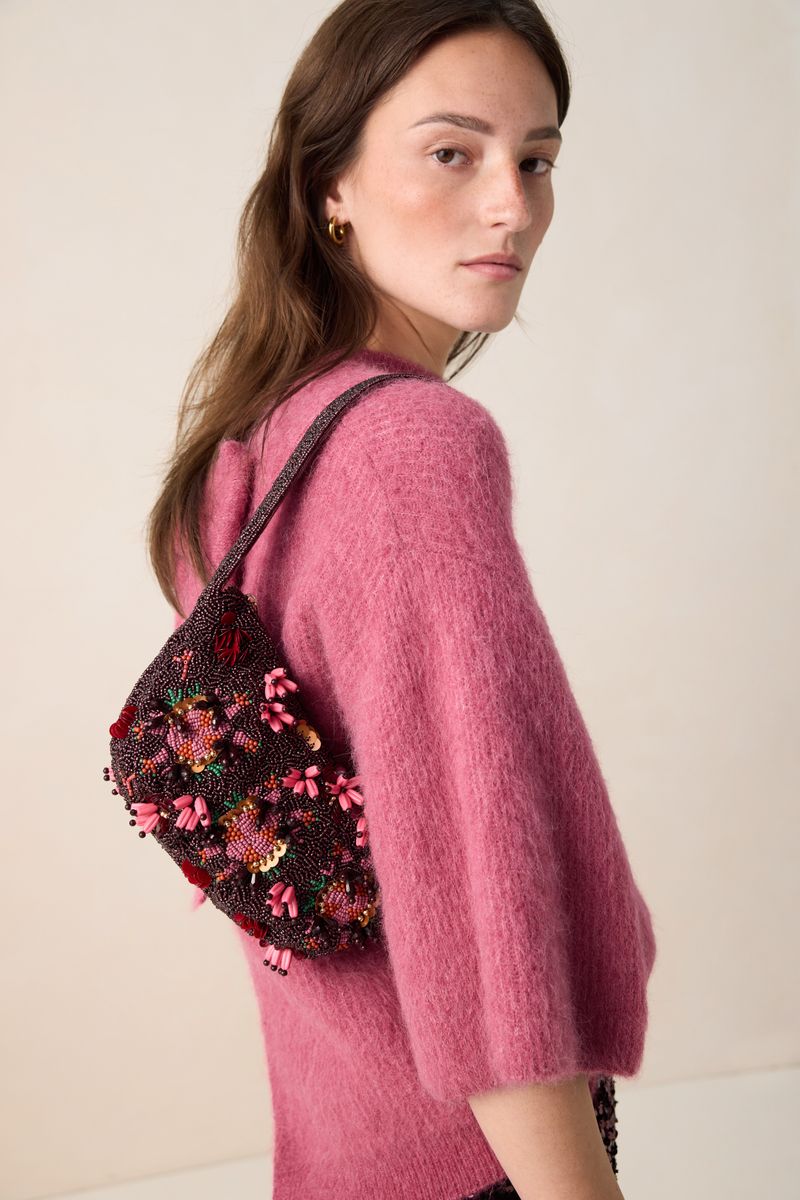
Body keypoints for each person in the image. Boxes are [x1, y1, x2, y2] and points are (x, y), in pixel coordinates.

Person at [149, 3, 658, 1197]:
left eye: (535, 160)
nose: (510, 206)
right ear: (328, 182)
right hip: (478, 1159)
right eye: (451, 151)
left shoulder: (248, 449)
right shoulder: (411, 448)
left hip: (336, 1142)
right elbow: (476, 902)